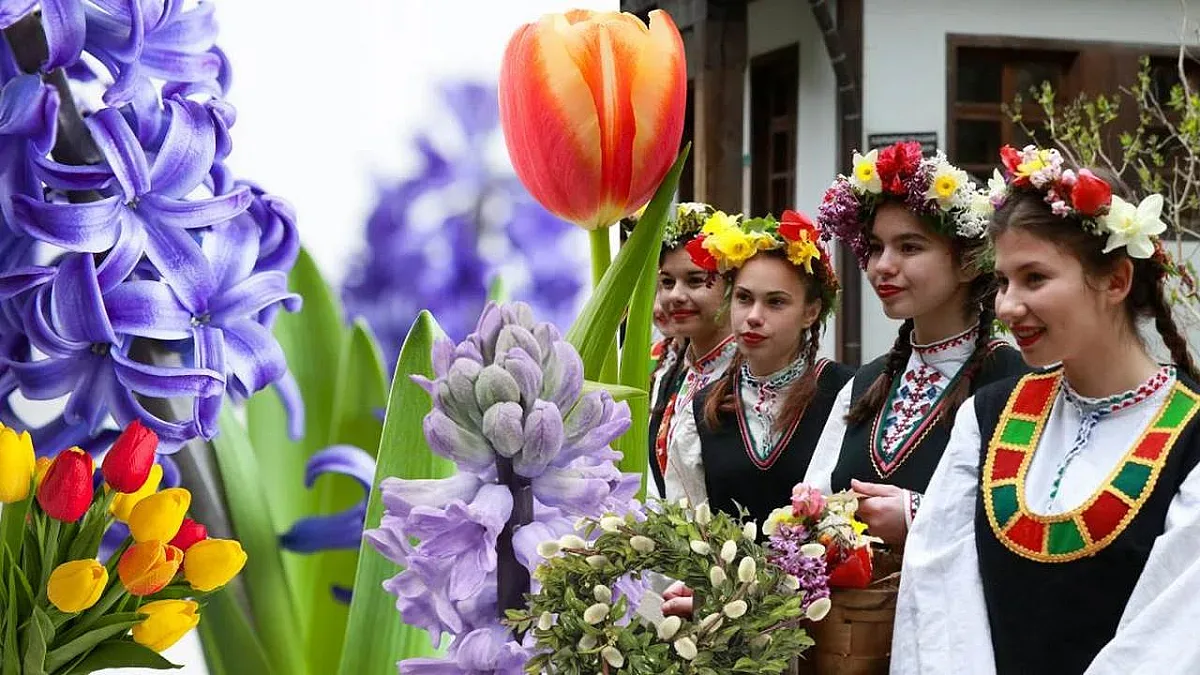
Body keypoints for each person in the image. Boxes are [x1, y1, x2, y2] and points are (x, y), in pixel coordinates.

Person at [894, 145, 1200, 674]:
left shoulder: (1191, 439)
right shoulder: (988, 417)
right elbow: (938, 601)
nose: (1008, 306)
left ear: (1116, 280)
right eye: (1003, 281)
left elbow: (1171, 642)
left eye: (1034, 278)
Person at [805, 142, 1027, 545]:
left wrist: (917, 515)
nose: (883, 266)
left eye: (909, 247)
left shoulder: (1019, 384)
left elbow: (1033, 524)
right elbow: (807, 513)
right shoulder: (862, 385)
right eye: (876, 247)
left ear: (968, 262)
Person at [664, 208, 852, 527]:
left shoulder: (845, 392)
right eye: (743, 298)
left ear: (811, 312)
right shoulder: (703, 410)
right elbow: (683, 524)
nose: (753, 316)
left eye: (775, 302)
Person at [647, 203, 738, 499]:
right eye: (667, 282)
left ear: (731, 287)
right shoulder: (671, 374)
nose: (675, 295)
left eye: (695, 280)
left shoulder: (752, 376)